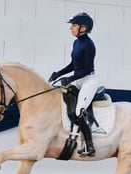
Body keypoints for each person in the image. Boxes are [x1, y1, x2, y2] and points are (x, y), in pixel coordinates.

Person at [49, 12, 99, 157]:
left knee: (79, 111)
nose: (71, 28)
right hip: (78, 79)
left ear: (83, 28)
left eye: (74, 25)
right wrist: (59, 74)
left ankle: (89, 145)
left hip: (88, 80)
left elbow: (87, 69)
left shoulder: (89, 45)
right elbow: (73, 65)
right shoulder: (77, 42)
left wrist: (70, 79)